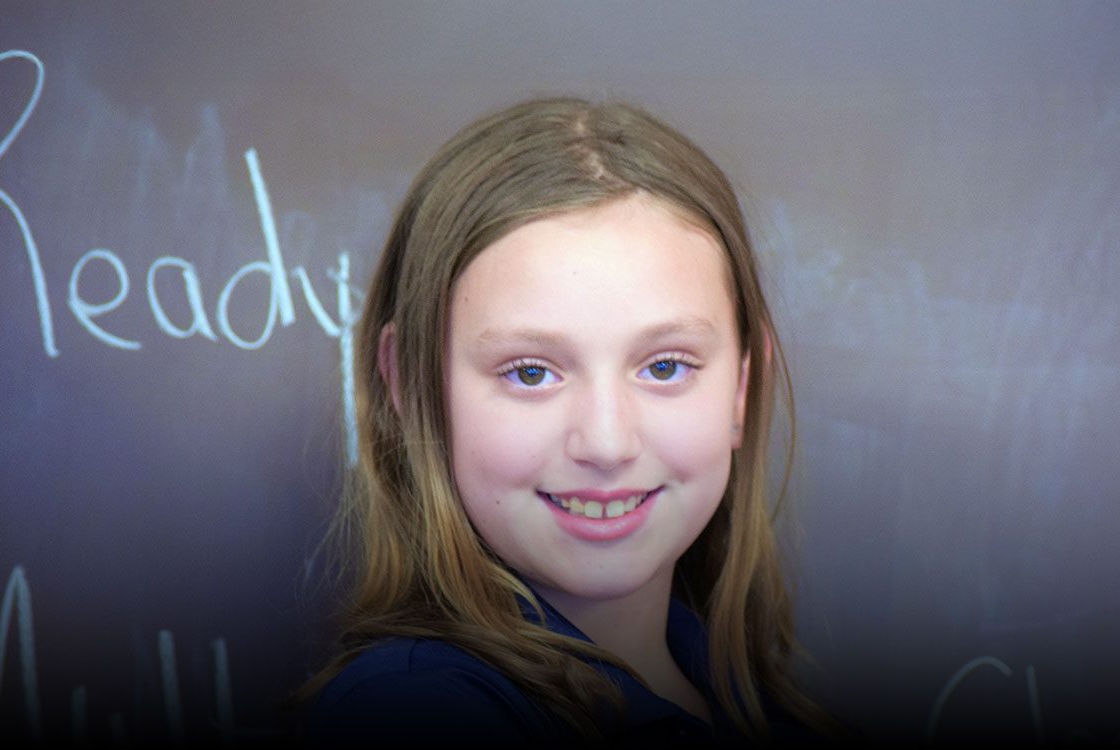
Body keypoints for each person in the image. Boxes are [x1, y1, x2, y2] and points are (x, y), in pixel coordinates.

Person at [300, 97, 840, 744]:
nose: (607, 443)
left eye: (665, 367)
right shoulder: (408, 709)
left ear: (741, 389)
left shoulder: (732, 687)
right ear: (410, 387)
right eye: (531, 372)